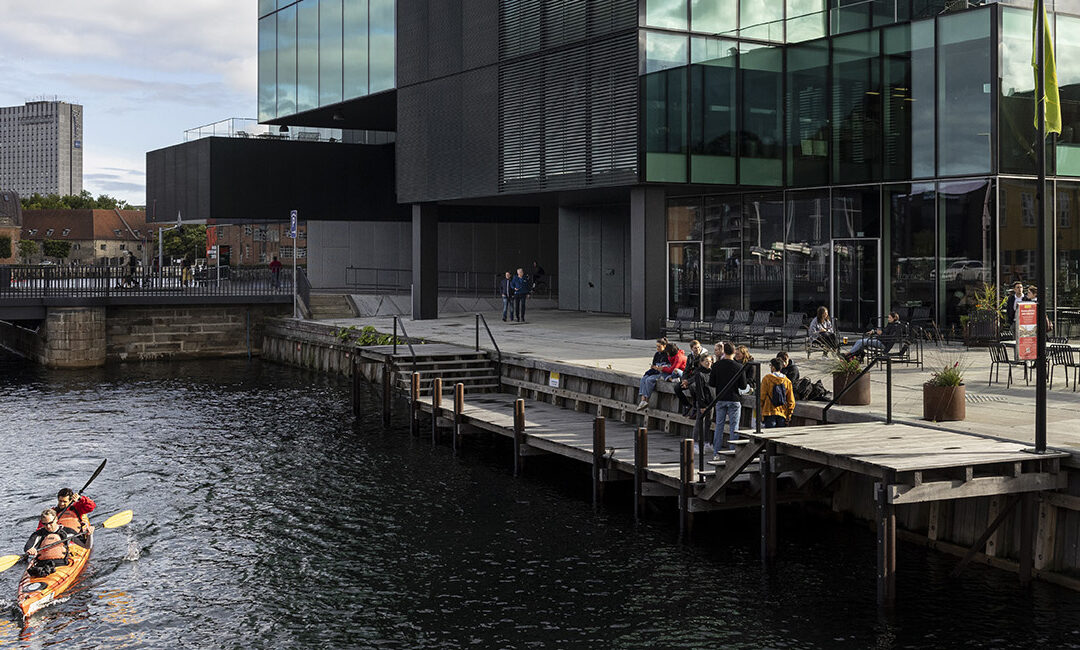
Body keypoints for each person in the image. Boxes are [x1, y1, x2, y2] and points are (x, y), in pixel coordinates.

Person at [709, 342, 747, 456]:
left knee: (719, 426)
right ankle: (732, 452)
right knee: (734, 427)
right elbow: (743, 386)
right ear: (734, 352)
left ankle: (716, 453)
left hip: (720, 398)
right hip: (734, 398)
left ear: (723, 352)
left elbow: (712, 383)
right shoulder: (739, 367)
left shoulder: (716, 366)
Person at [24, 509, 79, 574]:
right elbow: (27, 546)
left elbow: (87, 546)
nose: (48, 526)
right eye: (44, 524)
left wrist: (89, 535)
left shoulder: (68, 531)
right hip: (42, 565)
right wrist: (30, 549)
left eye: (50, 523)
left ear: (56, 519)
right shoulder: (38, 534)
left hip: (61, 564)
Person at [637, 343, 686, 410]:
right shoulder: (658, 354)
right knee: (644, 378)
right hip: (663, 371)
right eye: (657, 346)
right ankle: (643, 400)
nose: (657, 348)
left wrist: (662, 368)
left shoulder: (678, 357)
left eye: (659, 346)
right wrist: (654, 368)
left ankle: (646, 400)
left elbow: (672, 368)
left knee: (650, 379)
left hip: (679, 373)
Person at [686, 353, 714, 446]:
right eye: (706, 362)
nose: (708, 363)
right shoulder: (699, 374)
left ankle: (706, 442)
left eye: (710, 361)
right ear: (701, 362)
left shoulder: (712, 372)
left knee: (708, 423)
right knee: (699, 422)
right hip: (703, 401)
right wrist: (702, 405)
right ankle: (695, 443)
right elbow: (699, 390)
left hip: (711, 401)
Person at [760, 358, 795, 428]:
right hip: (782, 412)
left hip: (769, 411)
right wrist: (789, 414)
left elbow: (762, 397)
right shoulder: (787, 381)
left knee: (769, 435)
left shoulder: (766, 379)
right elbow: (791, 401)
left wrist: (761, 411)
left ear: (773, 367)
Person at [674, 340, 705, 415]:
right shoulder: (690, 357)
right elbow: (686, 370)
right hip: (690, 378)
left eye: (698, 347)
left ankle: (695, 406)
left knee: (692, 387)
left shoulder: (703, 357)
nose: (697, 349)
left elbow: (700, 372)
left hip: (699, 378)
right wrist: (684, 380)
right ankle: (686, 405)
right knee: (677, 387)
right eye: (695, 348)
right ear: (691, 349)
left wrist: (688, 381)